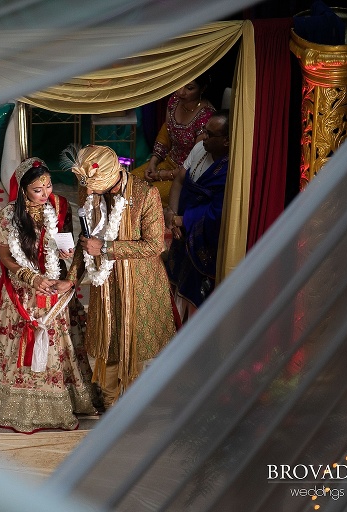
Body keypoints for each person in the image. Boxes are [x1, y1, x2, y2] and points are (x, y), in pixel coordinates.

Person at [0, 157, 96, 433]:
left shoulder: (59, 205)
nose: (46, 194)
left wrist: (66, 254)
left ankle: (64, 395)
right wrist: (32, 278)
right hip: (23, 280)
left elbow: (64, 239)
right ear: (22, 191)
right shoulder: (8, 215)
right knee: (24, 329)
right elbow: (6, 257)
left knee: (59, 331)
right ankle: (18, 397)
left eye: (49, 186)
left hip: (54, 277)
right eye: (38, 189)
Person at [64, 145, 176, 410]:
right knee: (109, 340)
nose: (88, 193)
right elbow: (86, 241)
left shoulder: (145, 194)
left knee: (134, 344)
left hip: (139, 282)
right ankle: (111, 402)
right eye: (87, 187)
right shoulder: (88, 190)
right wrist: (71, 280)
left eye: (94, 187)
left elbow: (154, 246)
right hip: (105, 283)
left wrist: (106, 248)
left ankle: (134, 407)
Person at [164, 112, 230, 321]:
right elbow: (179, 181)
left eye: (210, 134)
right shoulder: (200, 148)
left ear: (227, 141)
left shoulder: (231, 167)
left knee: (195, 288)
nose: (203, 137)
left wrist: (183, 221)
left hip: (202, 234)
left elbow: (218, 211)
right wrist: (172, 214)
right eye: (204, 131)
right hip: (180, 224)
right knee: (174, 274)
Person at [131, 76, 216, 206]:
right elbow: (165, 134)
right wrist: (153, 163)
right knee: (128, 182)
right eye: (180, 84)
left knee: (142, 194)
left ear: (202, 88)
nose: (181, 92)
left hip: (185, 177)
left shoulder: (207, 116)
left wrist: (161, 175)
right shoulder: (174, 101)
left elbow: (195, 163)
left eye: (189, 88)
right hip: (168, 162)